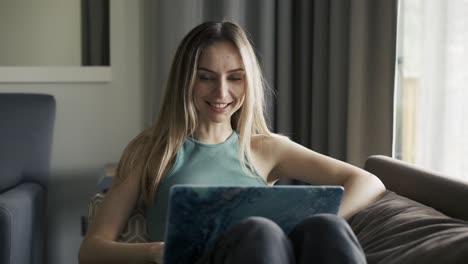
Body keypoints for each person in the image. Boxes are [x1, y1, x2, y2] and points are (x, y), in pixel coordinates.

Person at [78, 21, 385, 264]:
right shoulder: (151, 151)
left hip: (267, 253)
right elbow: (92, 249)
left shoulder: (266, 148)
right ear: (185, 80)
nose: (221, 93)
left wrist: (304, 222)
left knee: (325, 227)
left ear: (247, 82)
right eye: (206, 77)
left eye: (235, 78)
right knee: (260, 230)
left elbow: (368, 182)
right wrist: (156, 250)